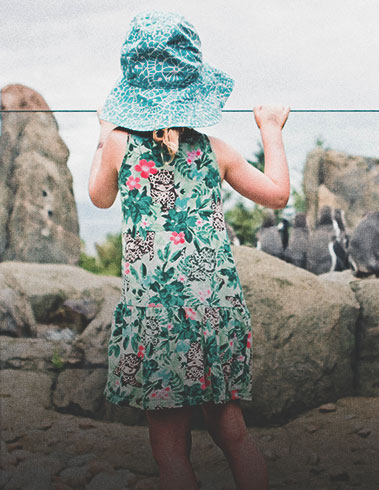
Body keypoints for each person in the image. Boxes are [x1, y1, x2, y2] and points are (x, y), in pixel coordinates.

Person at [88, 11, 289, 490]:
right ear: (194, 88)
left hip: (155, 314)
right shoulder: (216, 150)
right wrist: (271, 130)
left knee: (170, 448)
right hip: (214, 310)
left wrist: (102, 134)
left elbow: (99, 197)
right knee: (233, 432)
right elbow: (278, 194)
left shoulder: (119, 146)